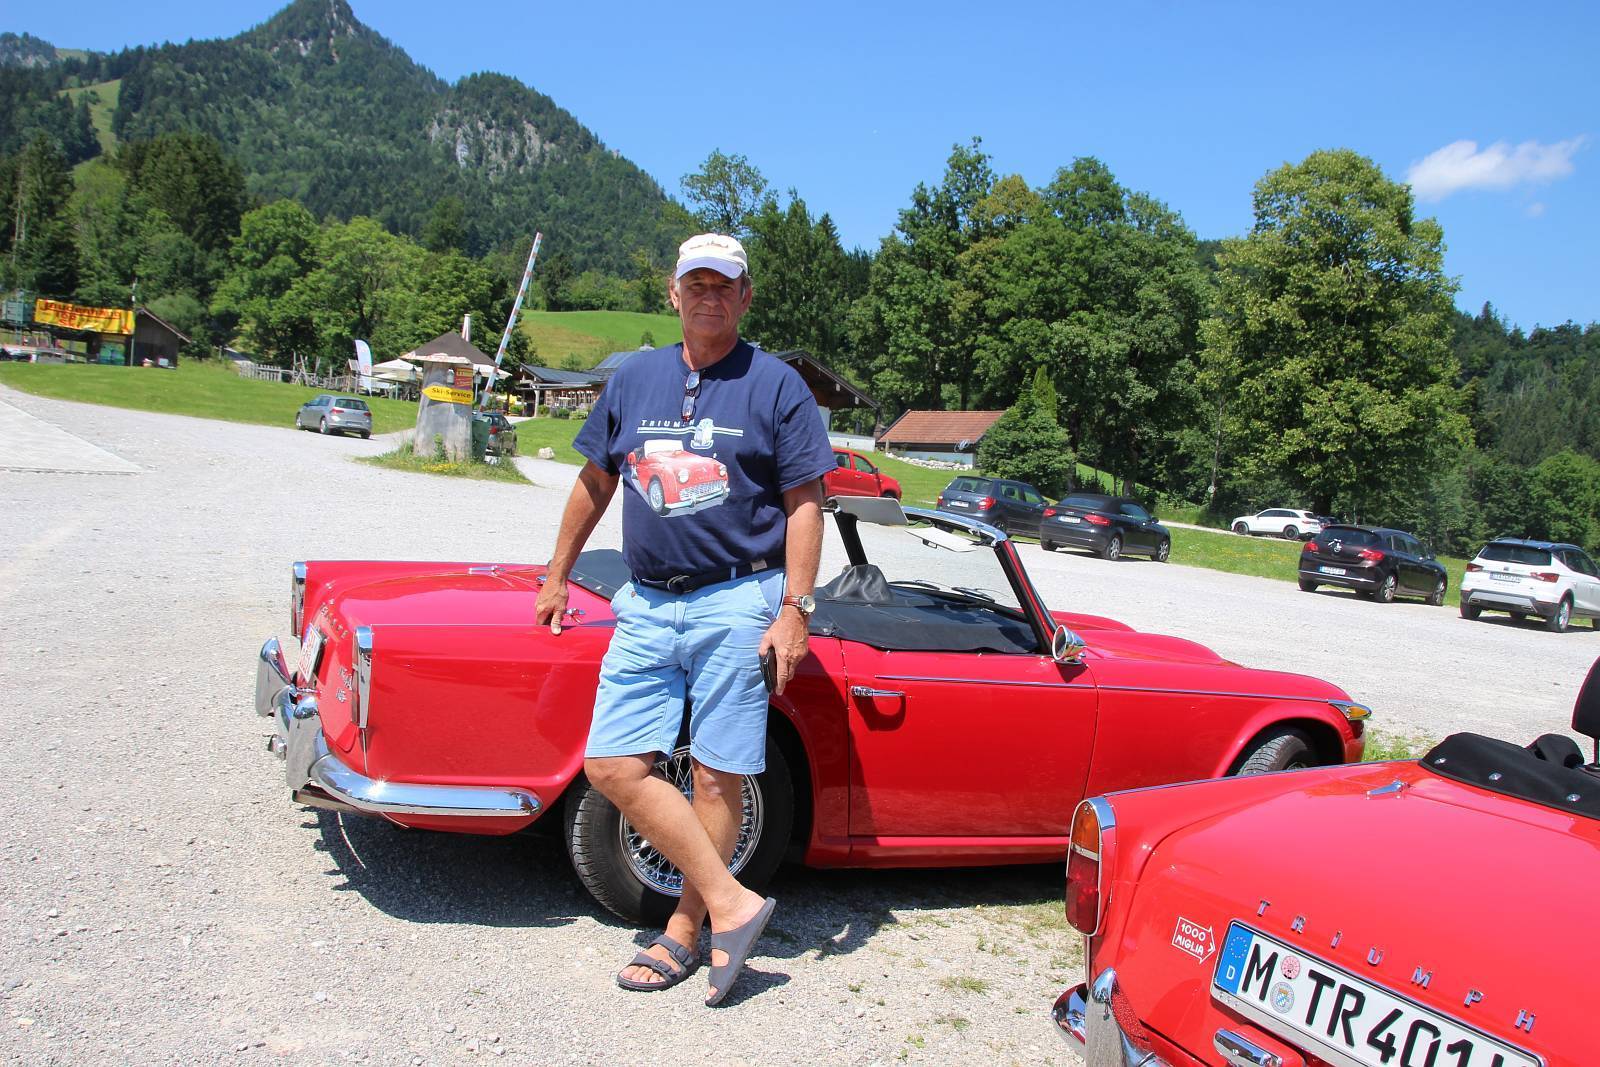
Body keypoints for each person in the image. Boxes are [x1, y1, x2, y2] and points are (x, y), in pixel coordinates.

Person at [534, 233, 833, 1005]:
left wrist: (796, 608)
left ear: (745, 297)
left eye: (723, 285)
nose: (708, 296)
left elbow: (806, 503)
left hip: (740, 598)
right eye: (695, 283)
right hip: (646, 598)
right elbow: (595, 479)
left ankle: (686, 927)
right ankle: (735, 902)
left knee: (716, 770)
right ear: (673, 293)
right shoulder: (635, 377)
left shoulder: (777, 386)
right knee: (611, 764)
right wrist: (558, 573)